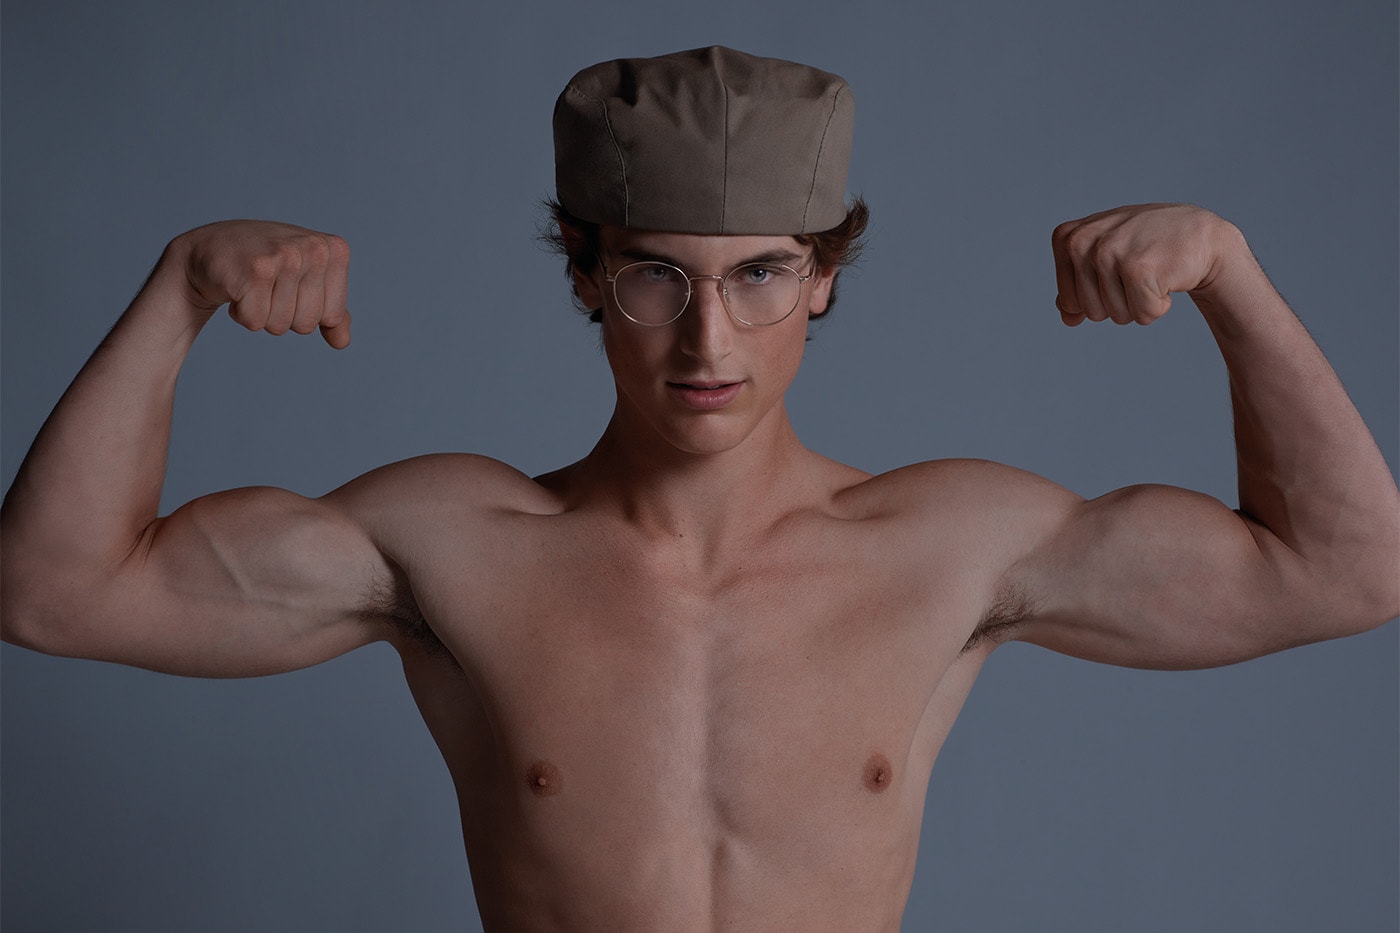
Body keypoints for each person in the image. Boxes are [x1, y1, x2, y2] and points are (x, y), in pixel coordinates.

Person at [2, 45, 1395, 930]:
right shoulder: (452, 543)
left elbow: (1347, 571)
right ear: (584, 273)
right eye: (655, 277)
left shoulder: (953, 547)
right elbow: (54, 592)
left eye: (762, 275)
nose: (709, 341)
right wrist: (179, 292)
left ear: (825, 276)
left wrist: (1231, 274)